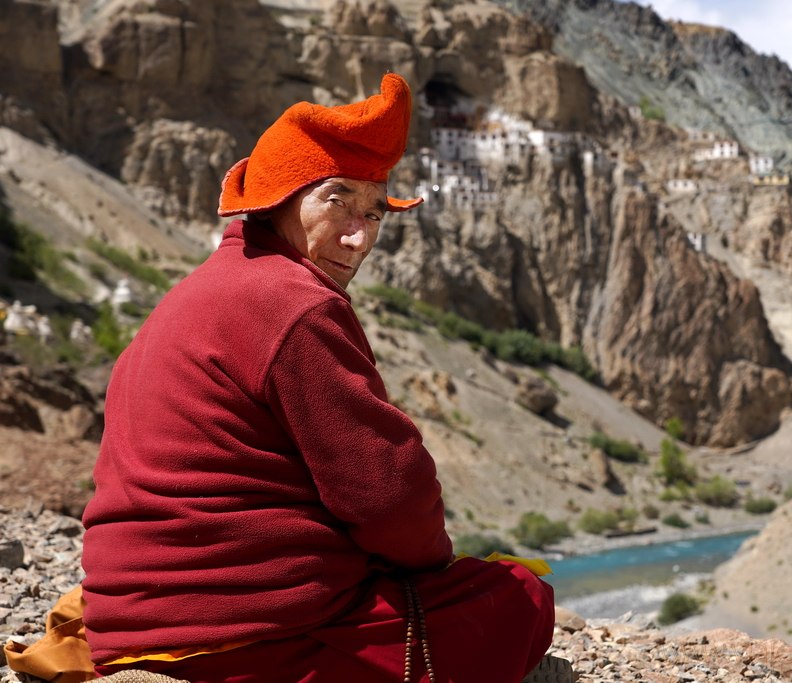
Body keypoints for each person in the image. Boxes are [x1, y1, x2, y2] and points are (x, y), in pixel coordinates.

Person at [81, 73, 555, 683]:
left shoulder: (190, 296)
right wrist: (435, 568)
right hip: (244, 636)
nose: (359, 238)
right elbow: (389, 498)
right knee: (517, 594)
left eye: (375, 211)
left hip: (128, 624)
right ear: (280, 197)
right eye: (337, 201)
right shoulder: (296, 303)